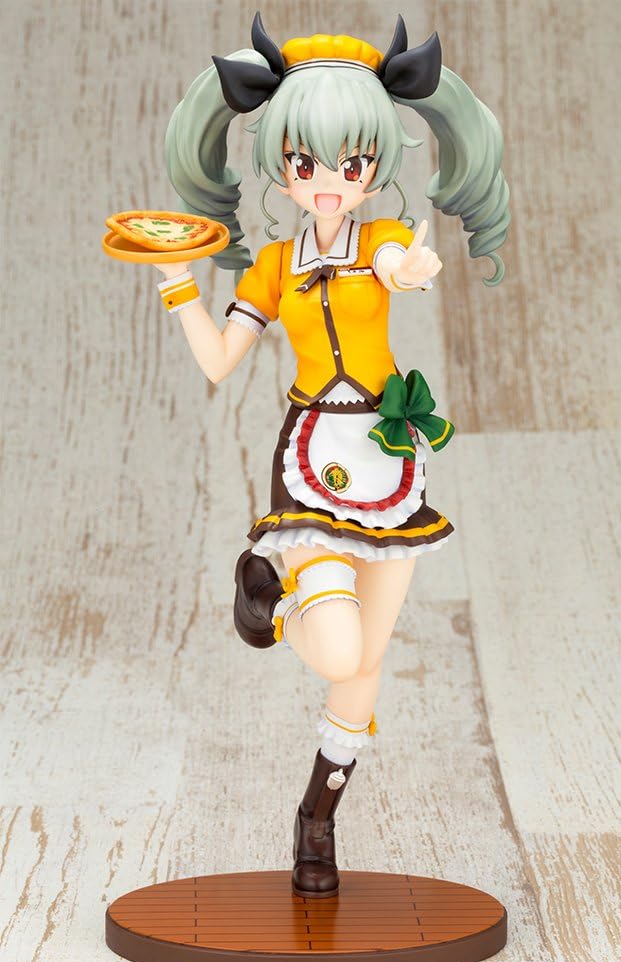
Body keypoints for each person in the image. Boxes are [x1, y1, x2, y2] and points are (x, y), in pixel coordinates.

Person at [152, 13, 510, 898]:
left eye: (350, 166)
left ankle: (316, 821)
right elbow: (219, 362)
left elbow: (403, 265)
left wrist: (410, 270)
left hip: (387, 455)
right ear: (280, 165)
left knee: (365, 666)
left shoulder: (379, 240)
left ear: (373, 167)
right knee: (340, 649)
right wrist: (177, 286)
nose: (326, 183)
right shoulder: (273, 266)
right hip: (313, 459)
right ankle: (270, 612)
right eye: (305, 163)